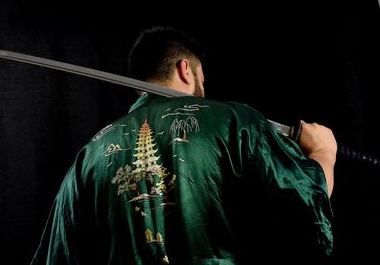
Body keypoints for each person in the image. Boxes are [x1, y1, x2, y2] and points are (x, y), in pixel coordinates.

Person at [30, 26, 337, 264]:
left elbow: (58, 256)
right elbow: (305, 209)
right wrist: (323, 152)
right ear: (185, 69)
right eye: (201, 76)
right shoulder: (236, 121)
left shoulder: (89, 155)